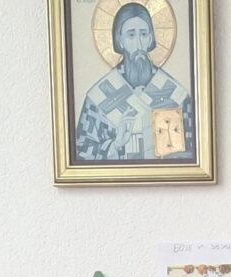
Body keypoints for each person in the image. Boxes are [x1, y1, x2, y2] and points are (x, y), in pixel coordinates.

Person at [76, 1, 195, 164]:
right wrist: (115, 144)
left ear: (150, 39)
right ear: (120, 40)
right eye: (131, 35)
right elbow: (81, 153)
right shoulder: (99, 97)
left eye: (143, 34)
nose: (139, 44)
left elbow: (193, 151)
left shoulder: (176, 94)